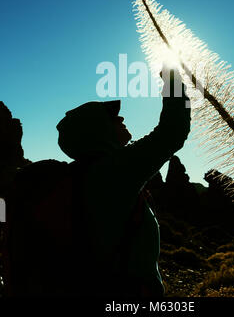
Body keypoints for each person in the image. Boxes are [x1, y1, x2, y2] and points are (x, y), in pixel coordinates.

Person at [5, 66, 190, 297]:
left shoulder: (81, 176)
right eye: (111, 116)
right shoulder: (115, 172)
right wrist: (172, 78)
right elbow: (172, 130)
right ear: (96, 130)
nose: (121, 116)